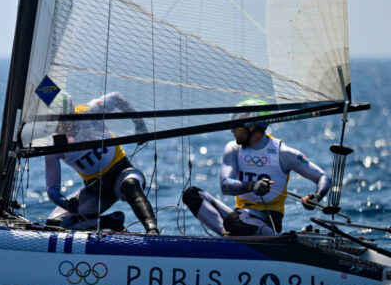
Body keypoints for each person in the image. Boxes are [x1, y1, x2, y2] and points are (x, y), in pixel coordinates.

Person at [182, 99, 330, 236]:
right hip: (239, 217)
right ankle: (226, 236)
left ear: (251, 126)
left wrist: (316, 197)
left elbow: (323, 176)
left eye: (236, 126)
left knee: (235, 221)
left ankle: (272, 238)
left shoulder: (282, 153)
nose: (232, 130)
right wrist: (253, 186)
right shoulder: (233, 149)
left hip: (267, 220)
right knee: (191, 194)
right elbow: (225, 186)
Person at [45, 92, 159, 235]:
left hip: (122, 174)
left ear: (72, 109)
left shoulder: (89, 112)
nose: (61, 124)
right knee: (53, 225)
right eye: (56, 119)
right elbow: (52, 190)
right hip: (96, 192)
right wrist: (65, 203)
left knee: (130, 186)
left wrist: (139, 124)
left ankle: (152, 230)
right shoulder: (54, 146)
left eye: (64, 117)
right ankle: (109, 222)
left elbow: (117, 98)